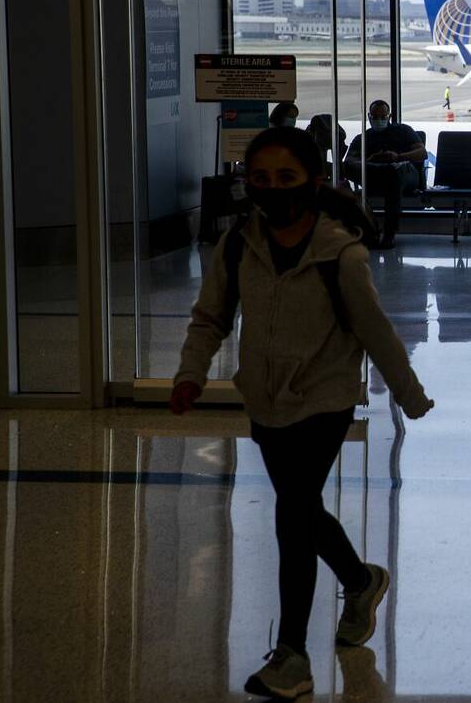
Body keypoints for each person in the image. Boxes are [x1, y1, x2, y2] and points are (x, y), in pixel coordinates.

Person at [169, 127, 433, 701]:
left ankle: (292, 657)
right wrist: (191, 373)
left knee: (291, 512)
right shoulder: (239, 244)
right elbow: (210, 316)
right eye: (260, 179)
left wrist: (408, 394)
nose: (271, 189)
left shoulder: (341, 253)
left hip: (325, 400)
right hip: (265, 401)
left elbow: (376, 332)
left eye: (285, 179)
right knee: (303, 506)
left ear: (313, 181)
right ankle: (361, 581)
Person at [344, 100, 427, 249]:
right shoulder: (363, 138)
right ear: (369, 117)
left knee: (393, 173)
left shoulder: (403, 131)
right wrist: (371, 160)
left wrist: (398, 157)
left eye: (383, 117)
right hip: (376, 173)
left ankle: (389, 233)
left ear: (389, 116)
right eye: (375, 117)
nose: (379, 121)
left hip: (404, 173)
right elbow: (349, 162)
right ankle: (373, 229)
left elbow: (422, 153)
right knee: (384, 173)